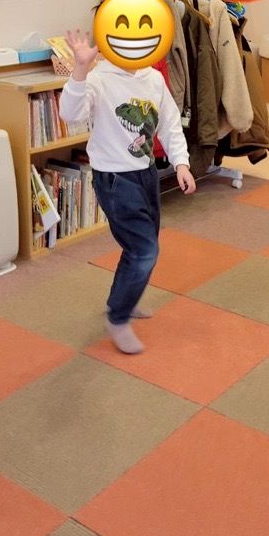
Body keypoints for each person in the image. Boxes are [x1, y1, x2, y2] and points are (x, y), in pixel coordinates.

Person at [59, 27, 196, 354]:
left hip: (146, 173)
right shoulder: (99, 79)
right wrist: (80, 70)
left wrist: (181, 163)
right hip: (114, 178)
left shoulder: (153, 78)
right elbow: (70, 113)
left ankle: (123, 299)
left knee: (140, 246)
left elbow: (170, 123)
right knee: (144, 250)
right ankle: (118, 318)